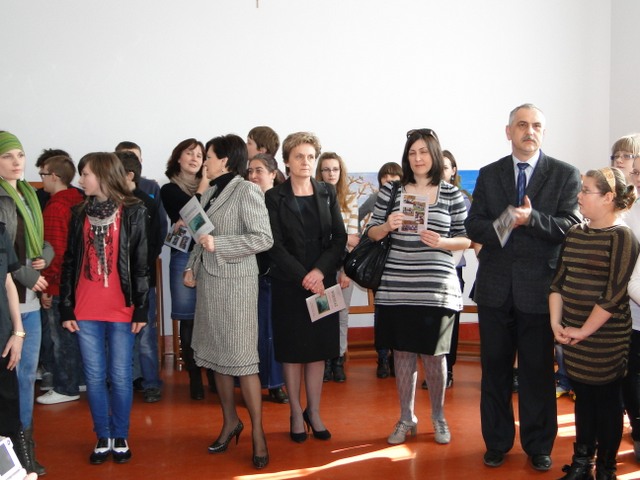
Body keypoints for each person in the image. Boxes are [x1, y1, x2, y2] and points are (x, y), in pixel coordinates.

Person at [465, 104, 582, 472]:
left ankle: (538, 445)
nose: (529, 131)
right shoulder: (490, 174)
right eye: (521, 125)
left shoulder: (564, 174)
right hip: (495, 290)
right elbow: (474, 227)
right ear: (508, 131)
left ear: (543, 132)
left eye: (536, 126)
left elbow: (570, 226)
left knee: (537, 374)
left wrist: (532, 219)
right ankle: (497, 443)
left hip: (540, 292)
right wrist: (508, 221)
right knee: (495, 372)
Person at [366, 128, 469, 447]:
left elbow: (466, 239)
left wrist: (442, 242)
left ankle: (438, 417)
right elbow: (371, 232)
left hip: (436, 287)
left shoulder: (451, 193)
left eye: (423, 151)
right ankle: (406, 417)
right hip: (396, 285)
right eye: (412, 152)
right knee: (402, 353)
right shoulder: (392, 191)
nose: (418, 158)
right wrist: (387, 225)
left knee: (436, 356)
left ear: (434, 155)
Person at [183, 134, 273, 469]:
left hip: (237, 287)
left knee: (243, 360)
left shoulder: (246, 189)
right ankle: (230, 421)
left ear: (225, 160)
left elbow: (262, 238)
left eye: (208, 156)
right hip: (209, 285)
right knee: (217, 356)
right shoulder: (208, 193)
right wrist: (191, 267)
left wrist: (219, 245)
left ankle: (259, 433)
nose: (204, 161)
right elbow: (200, 237)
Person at [60, 152, 149, 465]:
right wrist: (66, 308)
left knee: (121, 376)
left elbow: (141, 264)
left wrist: (142, 308)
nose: (81, 179)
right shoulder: (78, 212)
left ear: (102, 174)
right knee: (95, 377)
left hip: (122, 307)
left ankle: (120, 434)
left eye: (85, 173)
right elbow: (70, 261)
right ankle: (102, 435)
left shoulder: (134, 211)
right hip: (85, 308)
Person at [551, 167, 638, 480]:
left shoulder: (622, 237)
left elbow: (613, 295)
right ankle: (582, 464)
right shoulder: (575, 232)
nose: (579, 196)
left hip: (605, 339)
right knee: (584, 399)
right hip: (573, 335)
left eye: (586, 190)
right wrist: (556, 324)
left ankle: (605, 469)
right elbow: (558, 283)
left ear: (608, 197)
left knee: (607, 402)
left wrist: (582, 331)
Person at [265, 132, 346, 444]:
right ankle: (296, 413)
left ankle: (314, 411)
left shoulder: (326, 192)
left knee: (317, 351)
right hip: (289, 284)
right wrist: (304, 276)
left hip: (322, 284)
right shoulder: (274, 197)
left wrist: (319, 272)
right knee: (292, 351)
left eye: (311, 156)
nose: (306, 162)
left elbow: (339, 238)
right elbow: (274, 245)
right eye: (299, 156)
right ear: (287, 160)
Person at [0, 131, 52, 476]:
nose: (16, 162)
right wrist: (27, 275)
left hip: (30, 299)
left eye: (19, 155)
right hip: (10, 302)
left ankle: (25, 448)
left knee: (26, 379)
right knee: (11, 381)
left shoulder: (30, 195)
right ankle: (14, 453)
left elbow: (40, 242)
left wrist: (46, 256)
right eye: (7, 156)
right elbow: (4, 255)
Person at [160, 139, 215, 400]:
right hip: (183, 256)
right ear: (178, 158)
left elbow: (203, 221)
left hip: (209, 254)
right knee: (188, 317)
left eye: (199, 155)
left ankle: (213, 375)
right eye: (189, 153)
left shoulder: (215, 187)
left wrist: (202, 194)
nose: (194, 158)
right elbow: (192, 214)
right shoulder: (169, 189)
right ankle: (194, 376)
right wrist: (202, 189)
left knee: (211, 317)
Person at [35, 155, 85, 405]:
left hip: (58, 285)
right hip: (79, 283)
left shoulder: (55, 207)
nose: (41, 179)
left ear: (54, 176)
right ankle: (80, 380)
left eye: (43, 174)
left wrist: (45, 284)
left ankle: (66, 387)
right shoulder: (79, 200)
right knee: (76, 335)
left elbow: (53, 252)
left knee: (60, 338)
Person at [116, 150, 164, 403]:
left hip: (144, 280)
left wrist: (141, 269)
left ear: (129, 175)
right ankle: (127, 379)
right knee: (120, 333)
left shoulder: (147, 202)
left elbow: (156, 239)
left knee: (145, 335)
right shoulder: (111, 202)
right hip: (116, 282)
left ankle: (151, 382)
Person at [246, 153, 288, 404]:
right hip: (249, 275)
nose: (253, 176)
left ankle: (275, 383)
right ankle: (249, 383)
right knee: (253, 333)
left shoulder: (283, 201)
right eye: (250, 171)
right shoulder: (244, 200)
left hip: (277, 275)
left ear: (273, 174)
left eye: (259, 170)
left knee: (274, 332)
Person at [357, 162, 403, 379]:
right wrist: (362, 237)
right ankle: (383, 357)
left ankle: (397, 357)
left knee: (400, 313)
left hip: (402, 263)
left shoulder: (409, 199)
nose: (390, 180)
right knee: (382, 312)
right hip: (379, 263)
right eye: (386, 176)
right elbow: (357, 216)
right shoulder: (375, 198)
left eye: (394, 176)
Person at [315, 152, 358, 383]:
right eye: (326, 169)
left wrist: (346, 271)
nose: (331, 174)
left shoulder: (349, 199)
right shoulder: (312, 197)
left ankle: (338, 360)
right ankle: (324, 361)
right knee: (322, 314)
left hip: (343, 268)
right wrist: (341, 237)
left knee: (341, 315)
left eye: (335, 169)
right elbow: (318, 238)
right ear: (319, 172)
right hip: (320, 269)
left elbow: (352, 239)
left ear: (341, 172)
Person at [0, 219, 34, 474]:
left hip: (3, 341)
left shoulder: (1, 231)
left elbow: (9, 282)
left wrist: (18, 332)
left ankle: (17, 470)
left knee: (8, 415)